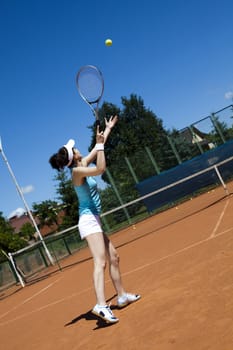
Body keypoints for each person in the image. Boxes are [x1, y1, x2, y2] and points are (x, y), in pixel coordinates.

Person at [49, 115, 140, 324]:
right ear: (74, 156)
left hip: (94, 220)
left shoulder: (82, 162)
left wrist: (107, 130)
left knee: (114, 257)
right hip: (88, 221)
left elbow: (98, 149)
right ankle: (100, 304)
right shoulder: (78, 171)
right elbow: (100, 169)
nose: (78, 148)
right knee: (100, 262)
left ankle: (122, 295)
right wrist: (99, 146)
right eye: (75, 148)